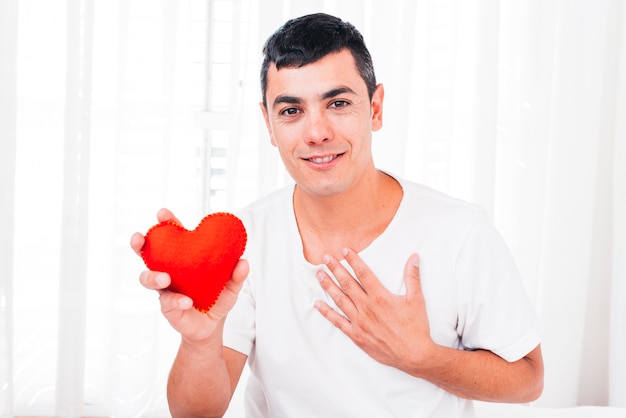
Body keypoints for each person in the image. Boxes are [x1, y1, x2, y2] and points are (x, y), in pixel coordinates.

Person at [131, 12, 544, 418]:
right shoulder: (244, 241)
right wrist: (201, 342)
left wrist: (421, 357)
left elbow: (528, 380)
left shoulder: (459, 231)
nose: (317, 132)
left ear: (376, 108)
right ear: (269, 126)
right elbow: (195, 413)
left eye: (339, 103)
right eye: (291, 111)